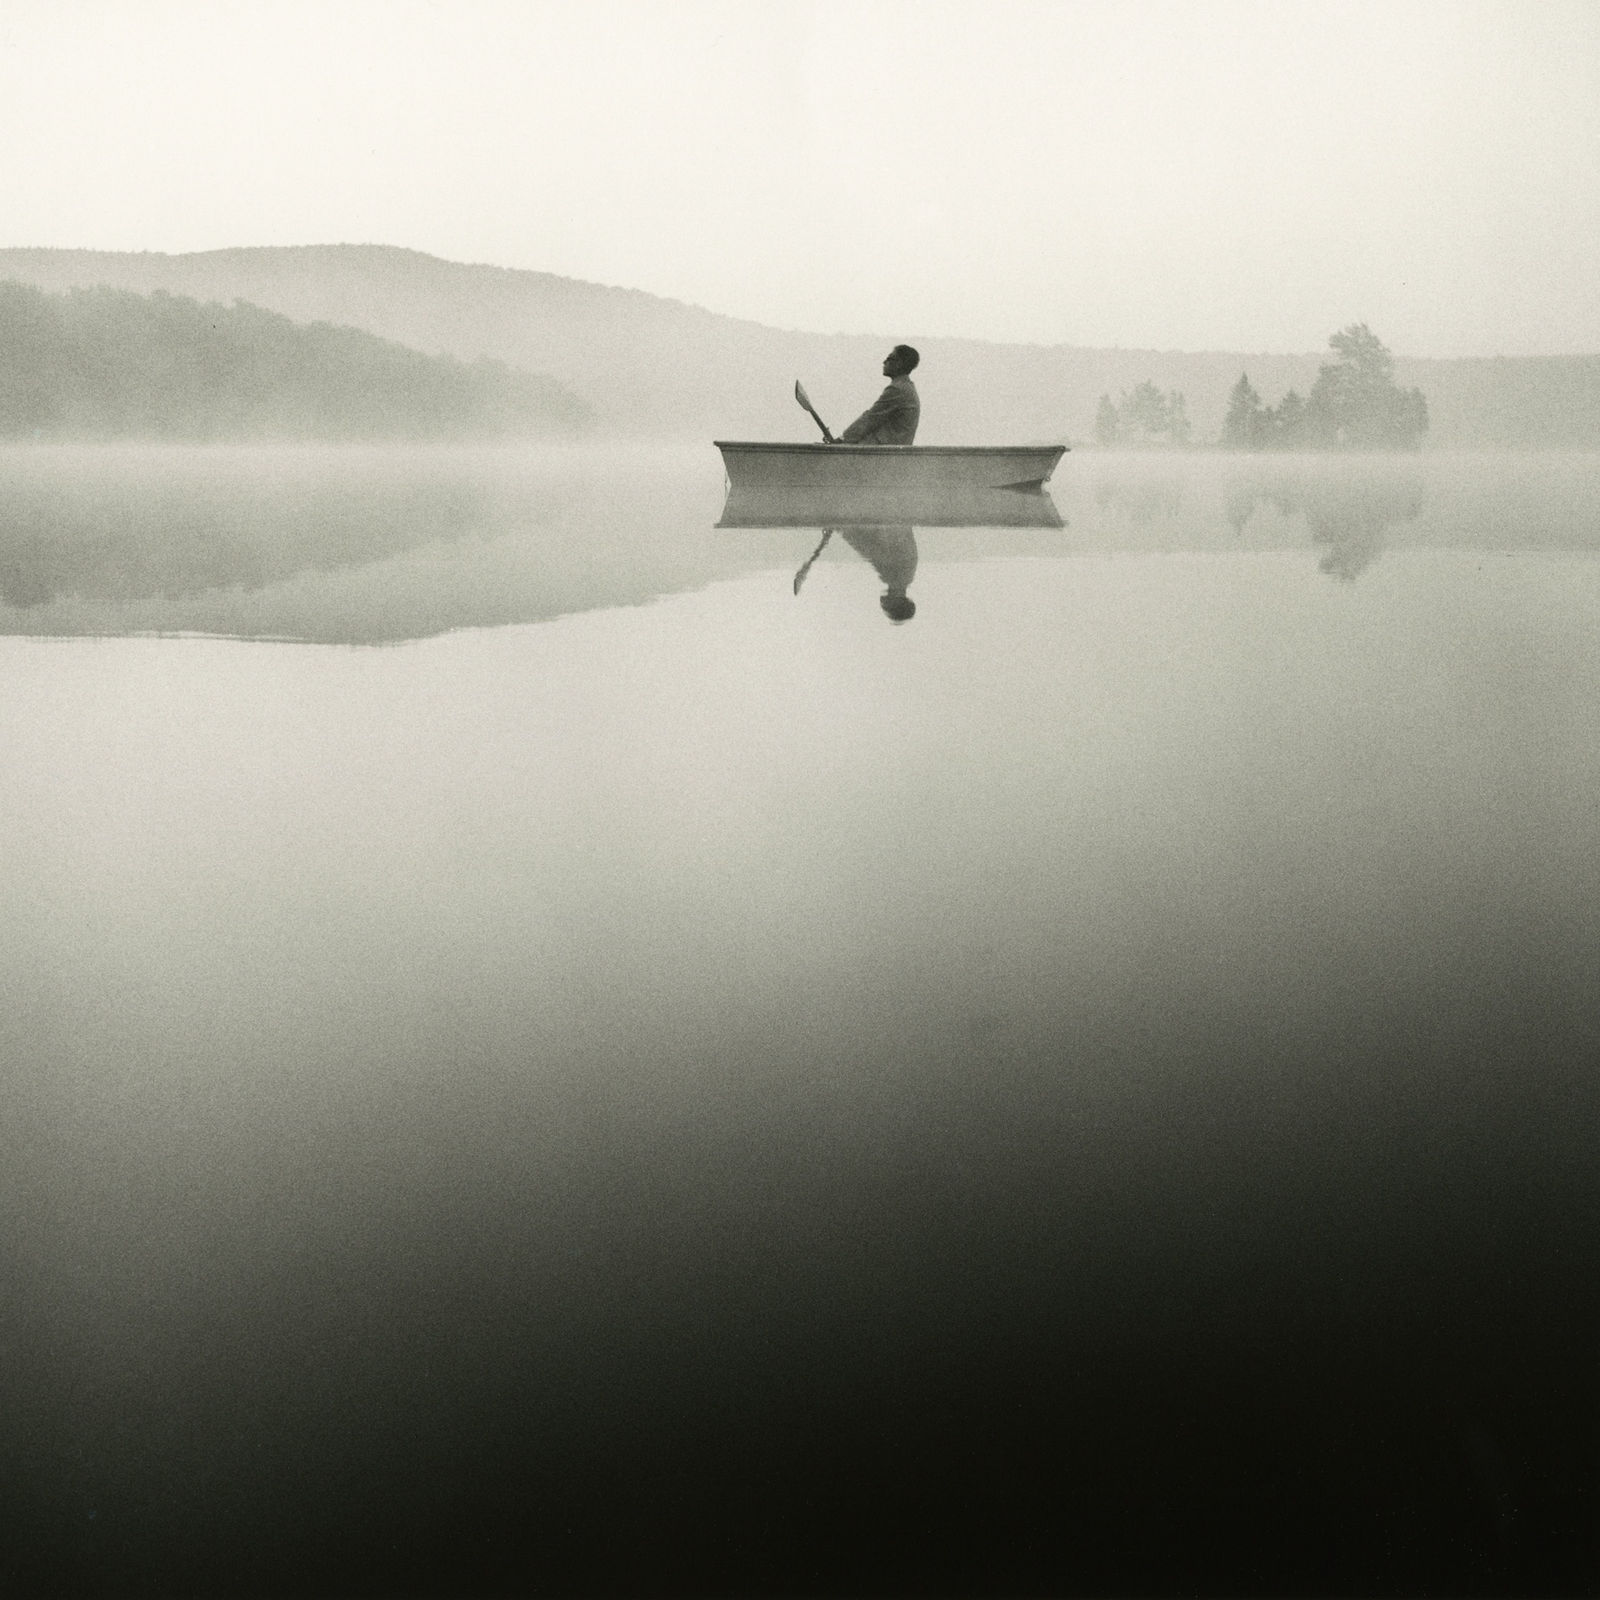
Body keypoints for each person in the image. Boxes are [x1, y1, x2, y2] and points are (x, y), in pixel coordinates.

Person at [836, 345, 920, 445]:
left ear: (899, 363)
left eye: (889, 358)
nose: (884, 362)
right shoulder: (907, 387)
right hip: (892, 452)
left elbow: (871, 418)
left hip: (883, 454)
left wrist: (842, 439)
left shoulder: (897, 389)